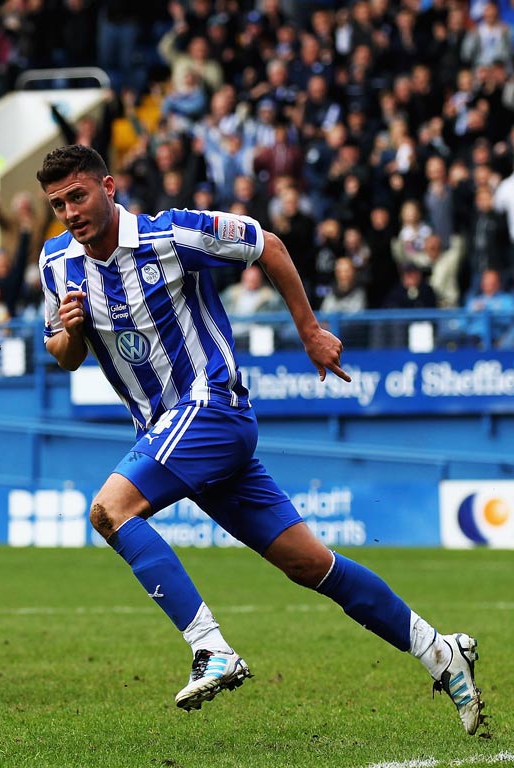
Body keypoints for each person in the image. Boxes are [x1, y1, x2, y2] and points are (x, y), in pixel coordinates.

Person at [34, 144, 483, 734]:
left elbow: (266, 243)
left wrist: (311, 331)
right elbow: (63, 357)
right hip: (171, 431)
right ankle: (440, 651)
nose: (69, 211)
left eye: (79, 195)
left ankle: (210, 648)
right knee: (311, 564)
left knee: (110, 510)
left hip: (211, 408)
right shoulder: (55, 263)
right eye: (58, 202)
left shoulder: (169, 237)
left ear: (109, 187)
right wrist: (68, 331)